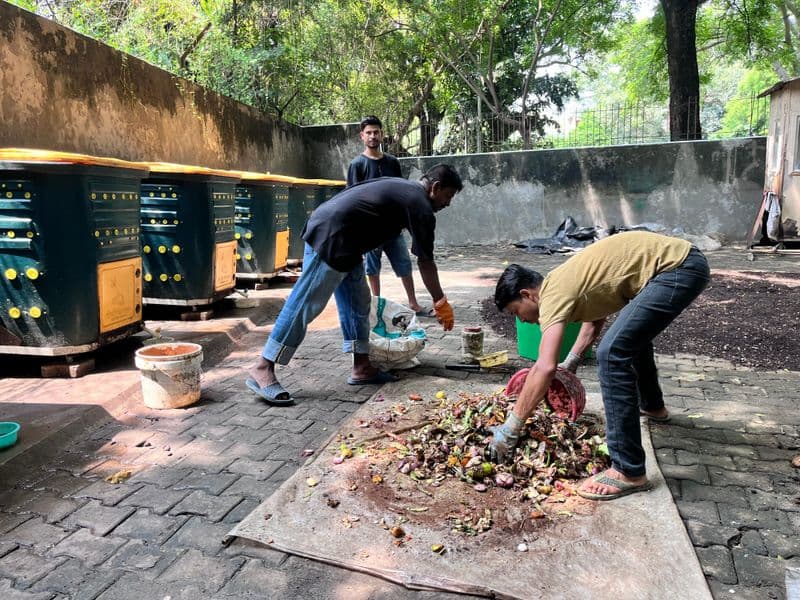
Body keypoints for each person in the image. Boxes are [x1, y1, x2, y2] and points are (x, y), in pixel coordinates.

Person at [489, 231, 710, 501]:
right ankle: (653, 406)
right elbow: (594, 319)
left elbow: (544, 367)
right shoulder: (565, 280)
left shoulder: (552, 295)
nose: (521, 321)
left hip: (677, 268)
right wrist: (571, 364)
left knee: (612, 353)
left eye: (515, 312)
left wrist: (512, 426)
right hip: (682, 263)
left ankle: (628, 470)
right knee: (629, 340)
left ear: (527, 295)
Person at [246, 164, 463, 405]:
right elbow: (425, 261)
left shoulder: (408, 191)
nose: (448, 203)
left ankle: (362, 366)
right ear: (436, 187)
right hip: (332, 237)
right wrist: (440, 301)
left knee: (358, 301)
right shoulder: (420, 205)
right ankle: (263, 366)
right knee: (306, 302)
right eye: (449, 195)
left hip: (346, 241)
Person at [347, 116, 430, 317]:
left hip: (393, 229)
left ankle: (413, 304)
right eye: (369, 133)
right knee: (372, 270)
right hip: (370, 231)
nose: (373, 136)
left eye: (376, 132)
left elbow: (401, 192)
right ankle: (377, 307)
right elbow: (351, 197)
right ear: (362, 136)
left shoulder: (392, 162)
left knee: (404, 265)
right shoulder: (357, 165)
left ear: (382, 134)